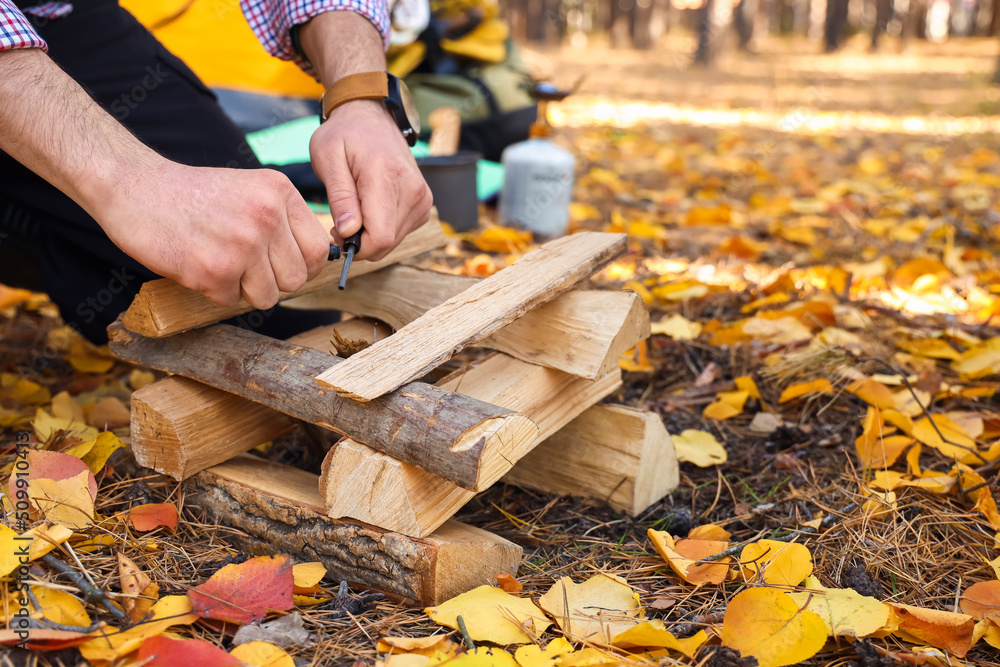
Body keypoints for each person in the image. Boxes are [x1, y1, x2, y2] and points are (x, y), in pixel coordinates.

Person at [0, 0, 433, 341]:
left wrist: (360, 94)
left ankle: (36, 229)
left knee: (250, 277)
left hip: (44, 15)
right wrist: (129, 182)